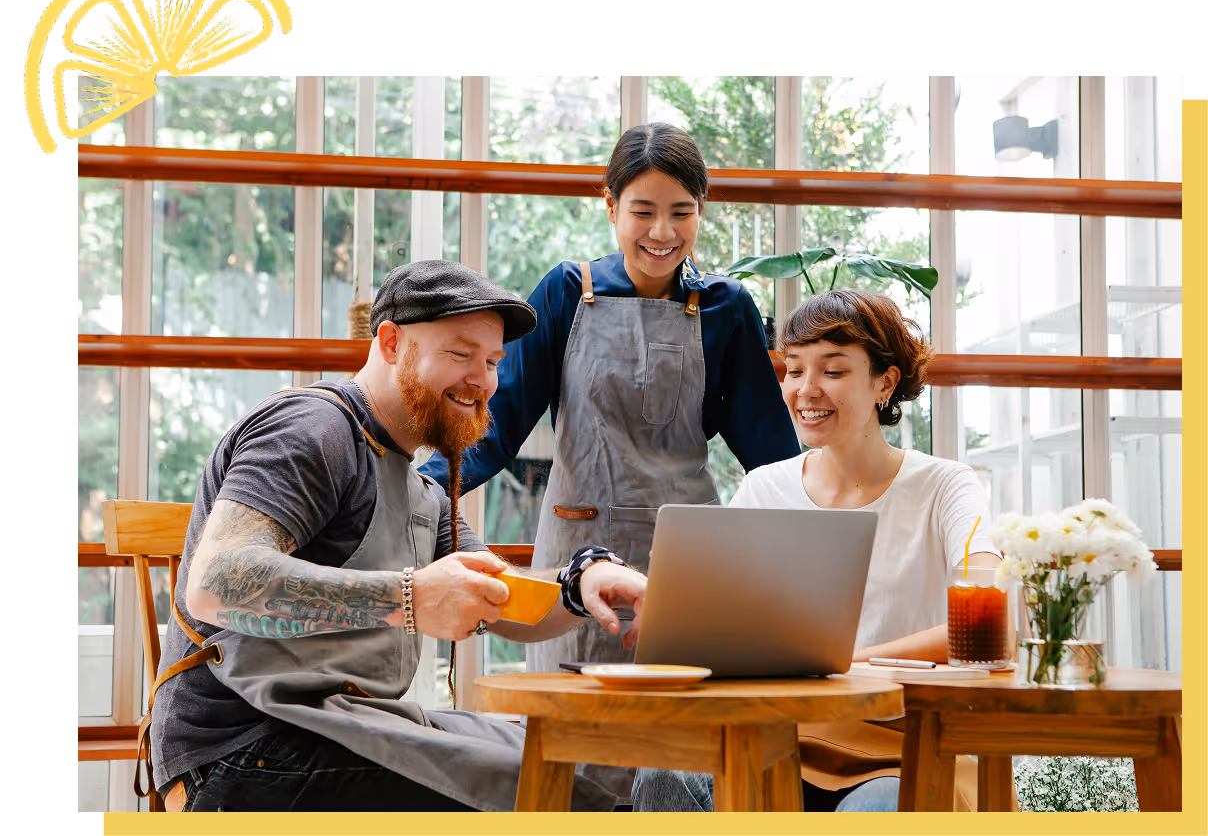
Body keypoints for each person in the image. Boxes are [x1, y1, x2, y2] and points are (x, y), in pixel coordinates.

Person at [147, 260, 649, 812]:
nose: (481, 380)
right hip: (242, 750)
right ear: (390, 343)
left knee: (587, 767)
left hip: (346, 728)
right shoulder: (313, 429)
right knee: (556, 797)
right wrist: (410, 598)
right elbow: (216, 583)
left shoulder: (422, 491)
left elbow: (501, 602)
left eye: (491, 361)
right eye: (460, 354)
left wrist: (581, 581)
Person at [420, 122, 800, 676]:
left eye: (681, 211)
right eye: (643, 211)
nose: (662, 231)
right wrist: (419, 488)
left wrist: (828, 540)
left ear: (701, 210)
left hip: (689, 559)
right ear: (611, 206)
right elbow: (496, 429)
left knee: (685, 743)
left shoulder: (728, 306)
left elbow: (770, 456)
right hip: (578, 557)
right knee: (576, 743)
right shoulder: (566, 292)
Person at [631, 289, 1000, 812]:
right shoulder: (764, 488)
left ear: (884, 383)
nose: (806, 390)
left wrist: (841, 666)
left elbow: (987, 620)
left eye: (833, 371)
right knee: (664, 775)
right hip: (778, 740)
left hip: (905, 747)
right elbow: (718, 623)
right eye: (795, 369)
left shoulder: (945, 486)